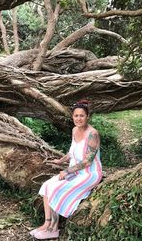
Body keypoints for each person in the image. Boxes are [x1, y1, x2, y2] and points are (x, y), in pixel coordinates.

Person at [30, 100, 103, 240]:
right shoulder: (74, 130)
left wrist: (67, 171)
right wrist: (60, 161)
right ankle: (48, 224)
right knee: (47, 185)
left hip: (89, 174)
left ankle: (53, 228)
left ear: (88, 117)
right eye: (76, 116)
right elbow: (71, 152)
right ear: (72, 117)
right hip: (75, 170)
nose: (78, 118)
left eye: (82, 115)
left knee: (56, 188)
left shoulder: (93, 134)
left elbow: (88, 161)